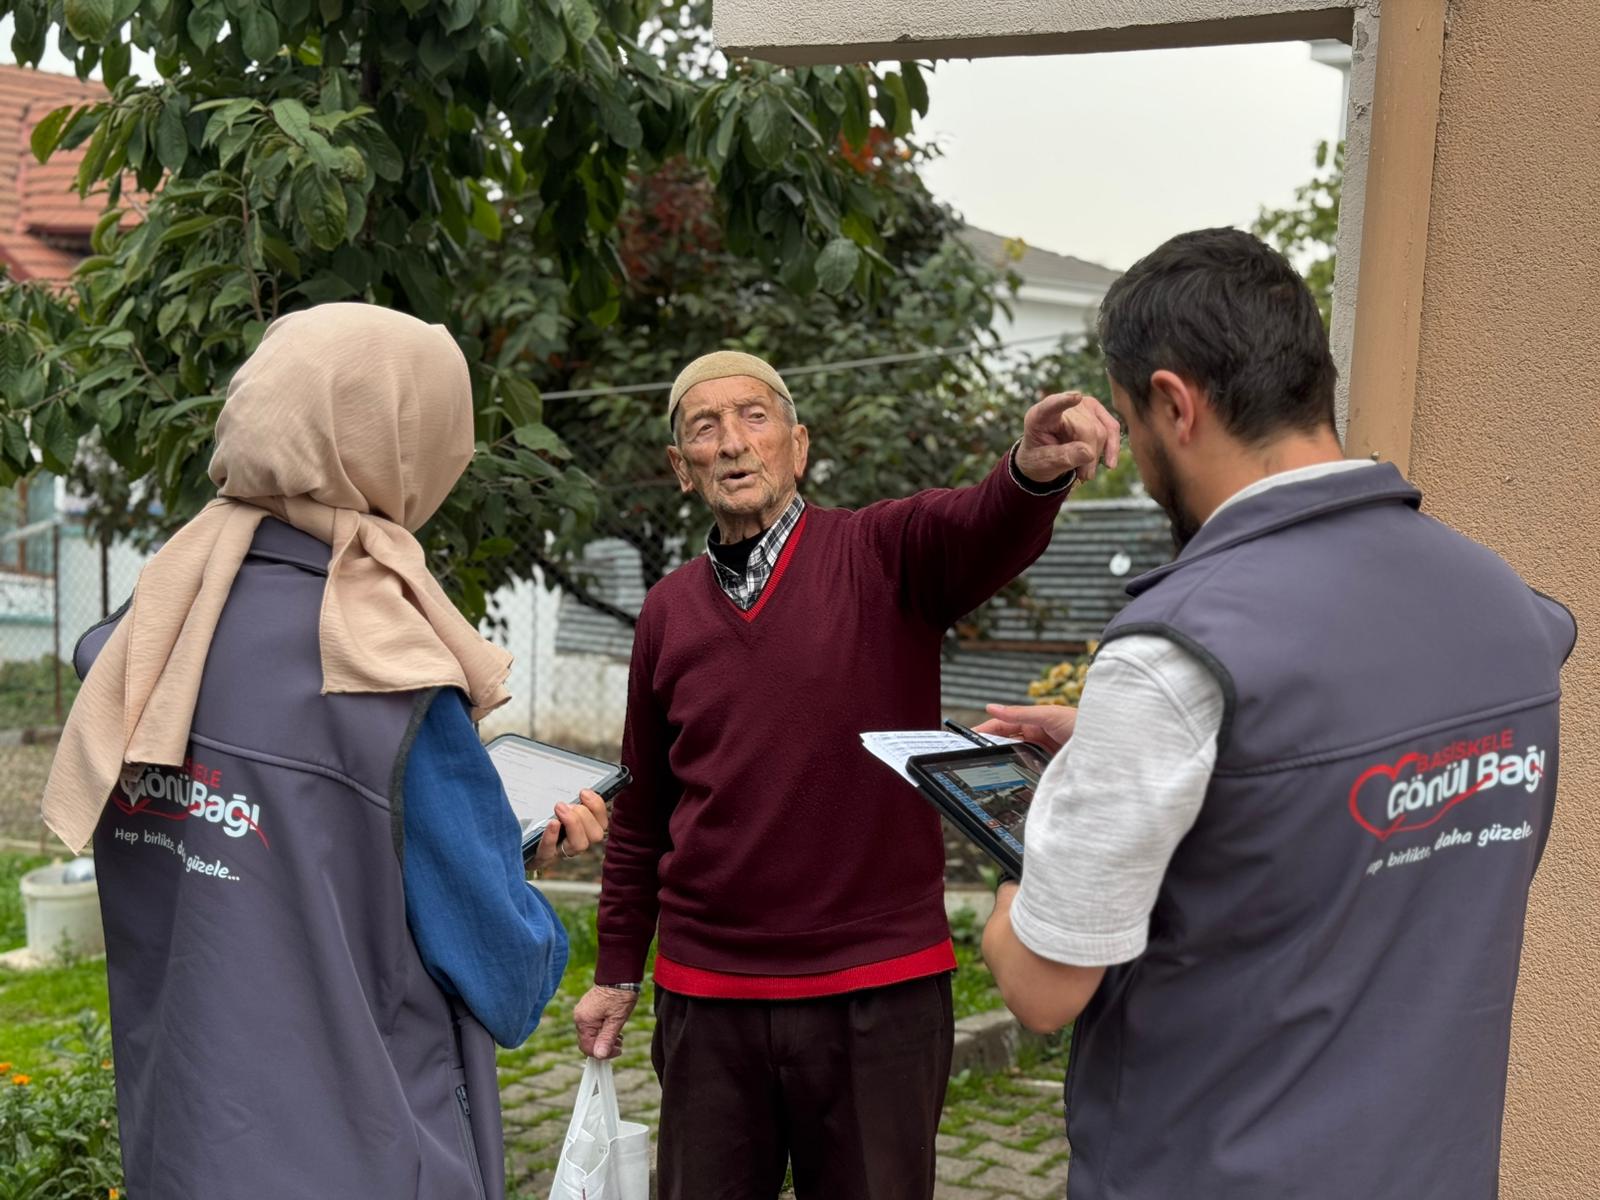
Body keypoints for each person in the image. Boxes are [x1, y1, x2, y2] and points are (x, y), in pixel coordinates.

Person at [976, 228, 1577, 1200]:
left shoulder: (1176, 651)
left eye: (1129, 424)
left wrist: (1019, 864)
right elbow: (1340, 780)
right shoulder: (1503, 607)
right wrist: (1130, 745)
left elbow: (1044, 989)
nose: (1133, 454)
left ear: (1175, 404)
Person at [41, 304, 609, 1200]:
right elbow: (505, 973)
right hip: (368, 1158)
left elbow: (291, 870)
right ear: (400, 447)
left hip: (183, 1150)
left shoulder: (143, 644)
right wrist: (507, 867)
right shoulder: (390, 682)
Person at [571, 350, 1119, 1200]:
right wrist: (615, 971)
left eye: (754, 417)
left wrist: (1031, 473)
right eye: (703, 428)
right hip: (708, 997)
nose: (731, 443)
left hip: (878, 993)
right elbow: (643, 811)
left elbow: (977, 524)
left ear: (799, 445)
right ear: (681, 469)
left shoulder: (882, 551)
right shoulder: (667, 611)